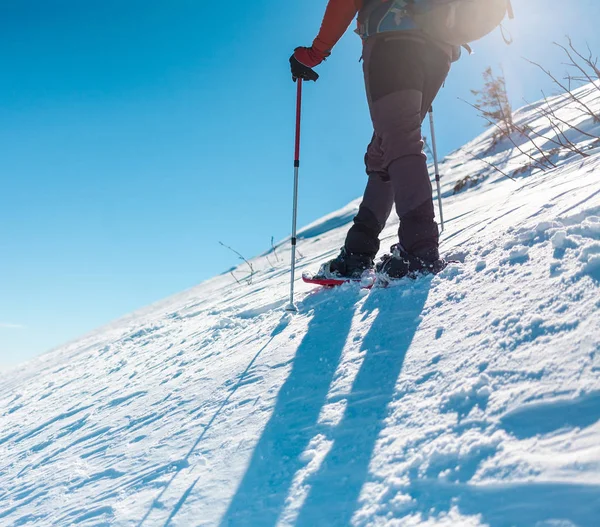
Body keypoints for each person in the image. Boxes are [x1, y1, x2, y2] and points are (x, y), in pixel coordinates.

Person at [290, 0, 459, 280]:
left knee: (399, 139)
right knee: (384, 148)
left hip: (392, 41)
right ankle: (358, 252)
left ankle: (420, 251)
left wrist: (314, 53)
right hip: (439, 50)